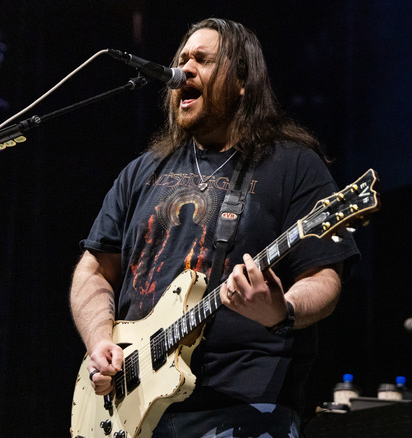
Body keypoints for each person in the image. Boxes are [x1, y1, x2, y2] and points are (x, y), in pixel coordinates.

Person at [70, 18, 359, 437]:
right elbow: (93, 269)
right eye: (182, 59)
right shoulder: (141, 172)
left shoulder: (293, 165)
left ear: (242, 81)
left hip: (244, 411)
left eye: (203, 60)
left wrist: (282, 311)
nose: (185, 69)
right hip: (131, 410)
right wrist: (100, 342)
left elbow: (323, 274)